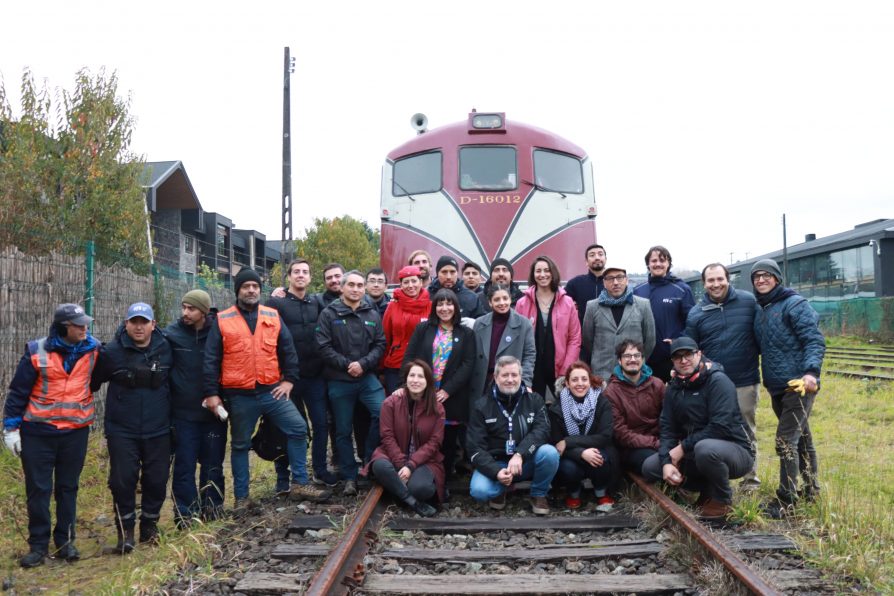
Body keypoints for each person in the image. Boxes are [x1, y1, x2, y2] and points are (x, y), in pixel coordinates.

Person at [204, 269, 331, 509]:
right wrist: (211, 393)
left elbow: (288, 349)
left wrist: (289, 380)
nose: (251, 290)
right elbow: (211, 359)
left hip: (272, 391)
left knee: (298, 428)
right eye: (246, 286)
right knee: (240, 445)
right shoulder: (223, 319)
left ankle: (299, 484)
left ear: (260, 290)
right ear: (238, 290)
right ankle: (242, 498)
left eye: (255, 286)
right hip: (240, 396)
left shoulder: (272, 315)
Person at [2, 304, 100, 568]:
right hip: (38, 433)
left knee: (68, 487)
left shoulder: (94, 350)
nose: (84, 328)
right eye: (78, 324)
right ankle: (38, 546)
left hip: (75, 433)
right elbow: (18, 392)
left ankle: (66, 542)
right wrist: (10, 430)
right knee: (39, 489)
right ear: (63, 326)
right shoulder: (37, 352)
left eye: (85, 323)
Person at [642, 338, 754, 521]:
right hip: (695, 450)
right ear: (673, 362)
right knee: (650, 467)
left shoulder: (718, 381)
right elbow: (668, 428)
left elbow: (720, 427)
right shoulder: (674, 387)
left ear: (699, 354)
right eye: (678, 357)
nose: (683, 360)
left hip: (734, 450)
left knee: (705, 449)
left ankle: (722, 499)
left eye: (688, 355)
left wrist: (682, 448)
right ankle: (704, 489)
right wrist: (667, 462)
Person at [92, 302, 173, 552]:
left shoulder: (166, 348)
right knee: (122, 480)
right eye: (134, 322)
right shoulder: (111, 352)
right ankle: (125, 532)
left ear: (153, 325)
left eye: (144, 322)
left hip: (159, 427)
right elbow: (91, 383)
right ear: (126, 323)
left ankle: (149, 526)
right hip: (122, 429)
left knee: (157, 479)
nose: (139, 327)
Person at [750, 258, 825, 518]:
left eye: (766, 275)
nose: (761, 280)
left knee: (785, 441)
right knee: (802, 439)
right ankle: (812, 490)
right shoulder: (761, 309)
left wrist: (811, 372)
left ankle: (786, 499)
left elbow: (813, 339)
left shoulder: (794, 304)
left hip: (798, 386)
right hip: (777, 386)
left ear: (777, 278)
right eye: (756, 276)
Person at [684, 263, 761, 490]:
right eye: (711, 280)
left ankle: (750, 481)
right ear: (704, 283)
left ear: (728, 279)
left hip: (744, 379)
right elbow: (692, 348)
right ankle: (717, 478)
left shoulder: (748, 302)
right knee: (714, 430)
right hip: (712, 385)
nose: (716, 284)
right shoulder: (696, 313)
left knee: (746, 429)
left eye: (720, 279)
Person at [266, 259, 339, 488]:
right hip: (287, 378)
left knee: (320, 424)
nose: (300, 275)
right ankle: (283, 477)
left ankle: (319, 469)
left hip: (314, 376)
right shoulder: (275, 303)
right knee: (288, 427)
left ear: (309, 278)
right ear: (289, 276)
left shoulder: (316, 303)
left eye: (305, 272)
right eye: (296, 272)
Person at [316, 270, 387, 496]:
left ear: (364, 289)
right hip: (340, 380)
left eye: (360, 285)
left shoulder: (372, 312)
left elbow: (380, 343)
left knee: (383, 413)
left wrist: (363, 365)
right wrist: (348, 364)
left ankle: (368, 461)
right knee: (342, 430)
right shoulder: (329, 314)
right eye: (352, 285)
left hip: (366, 377)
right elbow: (323, 346)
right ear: (343, 288)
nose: (356, 289)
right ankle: (349, 476)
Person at [165, 290, 228, 527]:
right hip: (183, 414)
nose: (185, 313)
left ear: (203, 310)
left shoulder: (219, 332)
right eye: (183, 307)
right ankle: (185, 514)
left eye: (190, 308)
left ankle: (212, 508)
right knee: (184, 465)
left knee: (213, 463)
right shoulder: (172, 334)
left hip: (214, 413)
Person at [466, 356, 559, 515]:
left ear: (520, 377)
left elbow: (542, 431)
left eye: (514, 375)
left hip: (525, 461)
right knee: (479, 491)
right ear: (495, 378)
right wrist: (496, 472)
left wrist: (520, 454)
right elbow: (475, 448)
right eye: (505, 375)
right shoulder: (481, 406)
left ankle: (538, 494)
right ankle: (502, 486)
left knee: (549, 453)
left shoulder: (534, 400)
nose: (510, 379)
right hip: (496, 463)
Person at [403, 289, 477, 479]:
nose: (445, 308)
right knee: (423, 434)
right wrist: (409, 384)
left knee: (447, 439)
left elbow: (468, 364)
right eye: (440, 304)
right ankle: (420, 473)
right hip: (422, 392)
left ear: (456, 307)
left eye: (449, 304)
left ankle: (445, 478)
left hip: (451, 395)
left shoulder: (466, 333)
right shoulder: (423, 329)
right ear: (434, 307)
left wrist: (447, 390)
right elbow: (410, 357)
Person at [364, 360, 445, 517]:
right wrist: (402, 464)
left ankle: (397, 489)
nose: (415, 380)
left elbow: (435, 442)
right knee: (379, 466)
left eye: (420, 376)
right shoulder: (390, 403)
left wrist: (411, 466)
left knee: (422, 489)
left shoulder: (437, 408)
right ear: (405, 379)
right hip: (393, 457)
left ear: (427, 381)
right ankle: (411, 501)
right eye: (412, 375)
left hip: (424, 461)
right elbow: (386, 436)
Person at [549, 361, 618, 512]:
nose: (580, 384)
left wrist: (569, 441)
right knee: (568, 468)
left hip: (597, 449)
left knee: (600, 459)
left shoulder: (602, 402)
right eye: (574, 380)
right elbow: (556, 442)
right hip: (570, 456)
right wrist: (580, 453)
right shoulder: (557, 407)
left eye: (584, 379)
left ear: (590, 381)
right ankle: (574, 492)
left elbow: (605, 436)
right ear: (567, 383)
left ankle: (601, 491)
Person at [515, 256, 582, 399]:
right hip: (531, 369)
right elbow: (517, 338)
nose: (543, 274)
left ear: (553, 273)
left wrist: (566, 370)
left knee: (563, 411)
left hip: (559, 367)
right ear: (533, 274)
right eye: (538, 271)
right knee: (532, 410)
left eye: (547, 270)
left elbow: (575, 339)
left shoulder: (568, 302)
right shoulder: (522, 303)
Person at [581, 265, 656, 380]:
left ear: (626, 280)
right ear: (604, 283)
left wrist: (636, 359)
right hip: (602, 374)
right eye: (610, 278)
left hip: (633, 373)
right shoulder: (592, 306)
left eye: (620, 277)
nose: (615, 282)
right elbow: (588, 339)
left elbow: (650, 340)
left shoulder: (643, 305)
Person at [603, 340, 665, 476]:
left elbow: (668, 418)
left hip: (660, 440)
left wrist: (667, 441)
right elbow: (621, 433)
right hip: (630, 448)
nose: (633, 359)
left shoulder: (657, 384)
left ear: (643, 359)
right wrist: (655, 443)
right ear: (619, 361)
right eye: (627, 356)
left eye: (637, 356)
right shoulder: (611, 392)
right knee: (657, 461)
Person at [633, 246, 695, 382]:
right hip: (644, 358)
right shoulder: (638, 290)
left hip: (672, 357)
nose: (658, 264)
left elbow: (692, 322)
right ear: (648, 264)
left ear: (669, 264)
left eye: (662, 260)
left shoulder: (681, 289)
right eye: (654, 261)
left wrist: (679, 341)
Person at [471, 284, 536, 399]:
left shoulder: (524, 324)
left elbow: (529, 356)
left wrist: (525, 382)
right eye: (497, 299)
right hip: (482, 383)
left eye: (505, 298)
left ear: (510, 299)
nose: (502, 303)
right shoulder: (479, 323)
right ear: (490, 303)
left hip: (510, 382)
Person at [382, 266, 431, 394]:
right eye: (406, 282)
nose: (410, 285)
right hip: (396, 365)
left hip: (423, 365)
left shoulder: (431, 306)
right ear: (401, 285)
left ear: (421, 282)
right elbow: (385, 337)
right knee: (398, 404)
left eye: (414, 281)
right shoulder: (393, 306)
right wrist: (381, 367)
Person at [564, 243, 607, 323]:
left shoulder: (614, 283)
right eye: (592, 255)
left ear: (606, 259)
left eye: (600, 254)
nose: (597, 257)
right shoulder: (575, 283)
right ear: (586, 262)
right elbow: (561, 305)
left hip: (609, 333)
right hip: (583, 333)